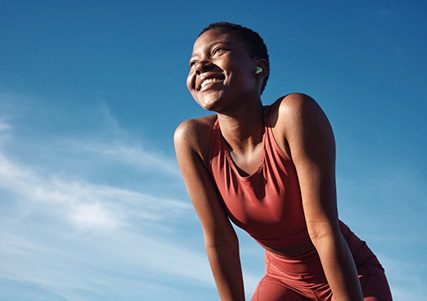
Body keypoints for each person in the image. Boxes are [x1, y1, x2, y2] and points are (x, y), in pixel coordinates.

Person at [174, 22, 392, 301]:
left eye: (217, 51)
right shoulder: (192, 139)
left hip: (351, 275)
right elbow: (220, 240)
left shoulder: (292, 115)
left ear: (259, 68)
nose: (200, 66)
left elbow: (322, 228)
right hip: (283, 281)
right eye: (193, 62)